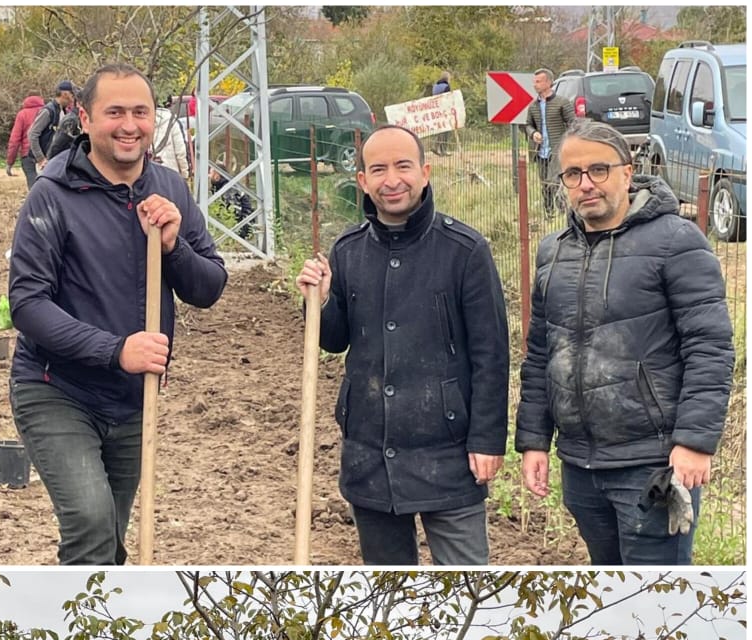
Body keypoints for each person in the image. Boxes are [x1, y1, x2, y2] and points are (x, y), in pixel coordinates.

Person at [8, 61, 227, 565]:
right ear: (84, 119)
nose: (129, 125)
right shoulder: (53, 195)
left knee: (112, 539)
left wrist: (174, 246)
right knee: (90, 521)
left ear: (154, 119)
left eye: (140, 112)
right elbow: (28, 303)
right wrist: (115, 350)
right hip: (56, 388)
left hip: (133, 400)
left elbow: (209, 288)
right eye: (114, 112)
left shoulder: (169, 189)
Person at [517, 120, 735, 567]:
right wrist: (534, 440)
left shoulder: (677, 242)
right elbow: (541, 351)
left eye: (599, 169)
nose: (586, 184)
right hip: (579, 465)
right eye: (573, 174)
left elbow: (709, 346)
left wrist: (695, 441)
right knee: (609, 589)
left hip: (650, 465)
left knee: (657, 603)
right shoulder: (553, 251)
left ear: (627, 172)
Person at [296, 125, 508, 567]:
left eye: (403, 166)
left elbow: (491, 355)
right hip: (370, 457)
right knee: (389, 591)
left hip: (448, 455)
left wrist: (487, 441)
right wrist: (318, 301)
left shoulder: (464, 251)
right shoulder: (349, 251)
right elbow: (333, 341)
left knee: (466, 584)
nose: (392, 180)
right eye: (378, 170)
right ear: (362, 181)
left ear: (425, 172)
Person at [525, 69, 573, 216]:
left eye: (538, 82)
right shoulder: (533, 106)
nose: (535, 85)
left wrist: (567, 142)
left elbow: (573, 123)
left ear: (548, 83)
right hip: (540, 151)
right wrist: (533, 133)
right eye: (534, 82)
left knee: (554, 182)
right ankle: (549, 212)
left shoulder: (562, 103)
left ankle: (563, 211)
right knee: (544, 184)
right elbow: (527, 125)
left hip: (557, 150)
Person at [28, 81, 77, 169]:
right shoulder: (48, 111)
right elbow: (32, 134)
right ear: (65, 94)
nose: (73, 98)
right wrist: (41, 159)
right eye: (72, 94)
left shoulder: (63, 111)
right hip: (46, 163)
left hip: (55, 161)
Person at [6, 92, 45, 190]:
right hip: (45, 151)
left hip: (28, 153)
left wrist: (10, 162)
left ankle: (35, 200)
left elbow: (14, 140)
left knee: (32, 183)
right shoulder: (47, 111)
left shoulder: (22, 114)